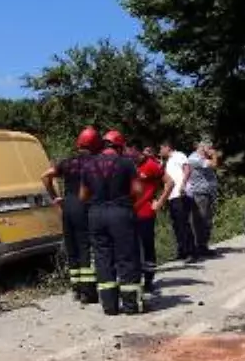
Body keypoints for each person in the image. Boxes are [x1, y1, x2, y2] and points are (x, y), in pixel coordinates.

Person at [82, 131, 143, 316]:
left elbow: (83, 196)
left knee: (102, 258)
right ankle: (131, 306)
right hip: (120, 212)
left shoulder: (89, 164)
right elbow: (138, 190)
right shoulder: (126, 163)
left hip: (96, 215)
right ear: (119, 146)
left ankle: (109, 306)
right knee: (127, 257)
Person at [41, 126, 102, 304]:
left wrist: (55, 198)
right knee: (85, 248)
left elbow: (45, 176)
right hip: (84, 207)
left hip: (68, 208)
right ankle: (88, 292)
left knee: (72, 247)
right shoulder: (95, 162)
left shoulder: (68, 162)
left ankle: (75, 289)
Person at [134, 142, 164, 293]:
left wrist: (159, 201)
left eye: (132, 152)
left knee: (147, 246)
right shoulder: (129, 165)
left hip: (146, 212)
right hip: (130, 213)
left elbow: (169, 183)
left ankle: (149, 279)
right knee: (133, 247)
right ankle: (135, 278)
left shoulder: (151, 165)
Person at [159, 139, 195, 262]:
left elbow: (187, 169)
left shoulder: (179, 155)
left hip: (181, 194)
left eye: (161, 148)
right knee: (176, 224)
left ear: (167, 147)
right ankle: (182, 250)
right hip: (172, 196)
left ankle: (191, 251)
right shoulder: (167, 161)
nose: (160, 151)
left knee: (183, 223)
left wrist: (183, 185)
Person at [186, 139, 220, 258]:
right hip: (200, 194)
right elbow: (214, 165)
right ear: (203, 147)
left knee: (207, 220)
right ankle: (198, 247)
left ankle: (203, 245)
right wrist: (214, 155)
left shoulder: (203, 158)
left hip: (208, 193)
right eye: (209, 148)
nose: (211, 150)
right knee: (200, 220)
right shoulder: (194, 158)